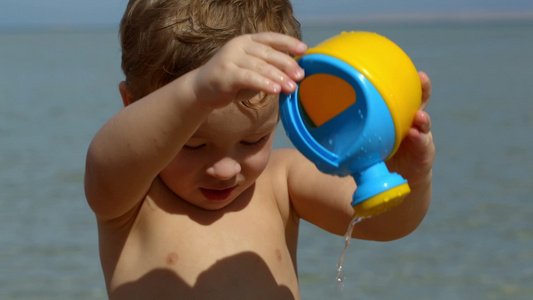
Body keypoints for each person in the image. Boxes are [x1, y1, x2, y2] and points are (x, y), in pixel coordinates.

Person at [84, 0, 434, 299]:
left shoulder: (281, 182)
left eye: (252, 141)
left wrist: (412, 179)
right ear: (132, 105)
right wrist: (194, 92)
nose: (225, 169)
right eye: (192, 145)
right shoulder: (131, 199)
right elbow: (106, 157)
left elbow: (384, 222)